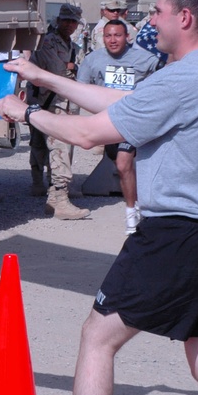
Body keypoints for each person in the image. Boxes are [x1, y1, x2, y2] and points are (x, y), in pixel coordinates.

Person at [0, 0, 198, 395]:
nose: (152, 22)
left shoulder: (178, 80)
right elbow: (121, 99)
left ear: (184, 17)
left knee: (97, 337)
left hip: (177, 234)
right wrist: (42, 75)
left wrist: (24, 111)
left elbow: (86, 134)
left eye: (159, 12)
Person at [76, 19, 159, 234]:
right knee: (124, 166)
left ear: (127, 37)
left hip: (135, 121)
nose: (113, 40)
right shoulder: (92, 60)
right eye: (108, 36)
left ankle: (132, 214)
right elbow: (80, 90)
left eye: (118, 35)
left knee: (124, 164)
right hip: (109, 122)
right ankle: (141, 205)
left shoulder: (146, 59)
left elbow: (160, 89)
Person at [26, 3, 90, 220]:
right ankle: (52, 193)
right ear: (59, 20)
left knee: (54, 145)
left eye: (74, 22)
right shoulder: (49, 41)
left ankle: (53, 194)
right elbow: (57, 73)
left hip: (57, 101)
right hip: (48, 100)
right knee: (53, 146)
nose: (70, 25)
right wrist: (71, 70)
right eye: (67, 21)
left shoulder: (69, 44)